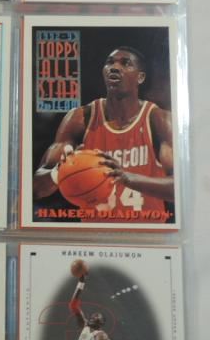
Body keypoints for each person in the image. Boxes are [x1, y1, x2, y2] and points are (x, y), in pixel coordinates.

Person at [34, 46, 174, 222]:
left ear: (140, 77)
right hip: (96, 233)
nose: (114, 67)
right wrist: (58, 172)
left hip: (146, 231)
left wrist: (128, 178)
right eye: (110, 62)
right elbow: (36, 189)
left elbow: (178, 188)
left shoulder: (159, 119)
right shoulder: (80, 119)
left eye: (125, 63)